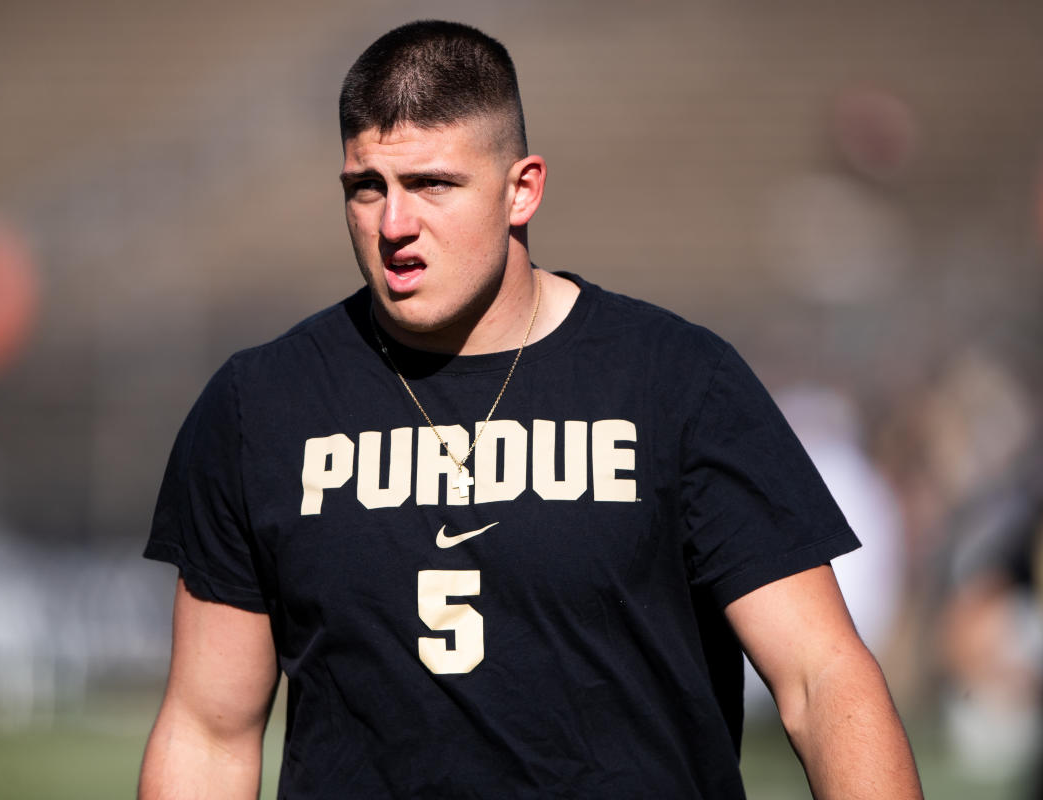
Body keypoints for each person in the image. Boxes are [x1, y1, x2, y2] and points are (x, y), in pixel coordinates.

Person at [139, 20, 923, 799]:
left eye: (433, 185)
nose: (395, 226)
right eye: (366, 187)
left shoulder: (673, 381)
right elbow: (209, 731)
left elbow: (823, 681)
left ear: (523, 189)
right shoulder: (261, 404)